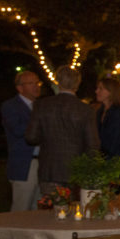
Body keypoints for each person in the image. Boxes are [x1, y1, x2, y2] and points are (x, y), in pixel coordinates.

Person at [25, 65, 100, 196]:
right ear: (77, 84)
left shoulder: (41, 105)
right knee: (74, 211)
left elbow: (31, 137)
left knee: (50, 211)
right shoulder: (86, 110)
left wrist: (48, 136)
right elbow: (93, 145)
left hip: (50, 170)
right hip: (76, 171)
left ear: (58, 82)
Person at [2, 70, 43, 210]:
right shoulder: (11, 106)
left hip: (42, 162)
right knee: (21, 208)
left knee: (38, 209)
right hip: (24, 164)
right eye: (31, 83)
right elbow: (19, 130)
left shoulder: (40, 106)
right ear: (20, 88)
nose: (36, 86)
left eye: (37, 82)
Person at [94, 77, 120, 168]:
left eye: (101, 88)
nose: (97, 91)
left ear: (111, 91)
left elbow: (115, 141)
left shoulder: (118, 113)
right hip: (104, 161)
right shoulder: (100, 112)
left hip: (116, 164)